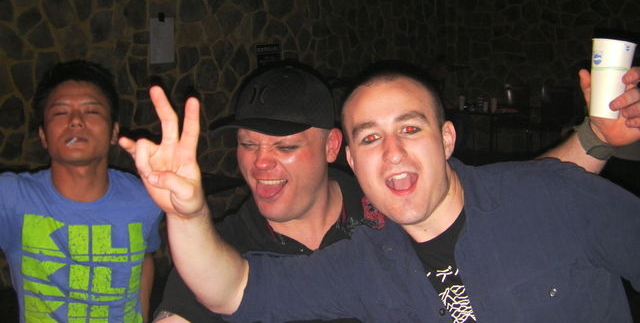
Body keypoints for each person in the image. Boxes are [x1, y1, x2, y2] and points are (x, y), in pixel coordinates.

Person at [120, 64, 640, 322]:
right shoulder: (367, 262)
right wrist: (186, 213)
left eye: (410, 129)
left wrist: (595, 138)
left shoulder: (554, 197)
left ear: (446, 139)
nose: (391, 153)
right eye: (370, 138)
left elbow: (541, 195)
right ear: (351, 156)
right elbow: (230, 288)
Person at [152, 64, 371, 323]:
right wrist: (185, 217)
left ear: (331, 146)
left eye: (286, 147)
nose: (261, 162)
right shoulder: (215, 250)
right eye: (248, 144)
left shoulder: (384, 216)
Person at [0, 60, 163, 323]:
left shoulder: (145, 197)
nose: (76, 121)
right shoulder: (11, 198)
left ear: (114, 132)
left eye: (91, 111)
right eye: (60, 112)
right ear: (43, 135)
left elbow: (143, 257)